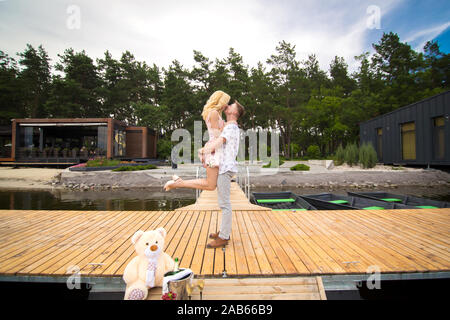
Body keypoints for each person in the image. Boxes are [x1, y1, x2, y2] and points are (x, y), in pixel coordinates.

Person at [163, 90, 230, 192]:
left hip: (216, 149)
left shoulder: (214, 113)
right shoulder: (214, 113)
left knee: (211, 185)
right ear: (220, 101)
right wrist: (227, 126)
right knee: (210, 184)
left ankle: (179, 183)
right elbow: (217, 134)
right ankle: (179, 183)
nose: (227, 105)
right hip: (214, 150)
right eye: (226, 102)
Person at [200, 101, 245, 248]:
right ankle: (223, 232)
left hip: (225, 169)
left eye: (231, 105)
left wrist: (204, 150)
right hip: (225, 167)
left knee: (225, 205)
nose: (228, 105)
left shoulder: (231, 127)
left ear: (234, 113)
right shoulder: (230, 126)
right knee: (223, 203)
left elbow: (219, 141)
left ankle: (224, 237)